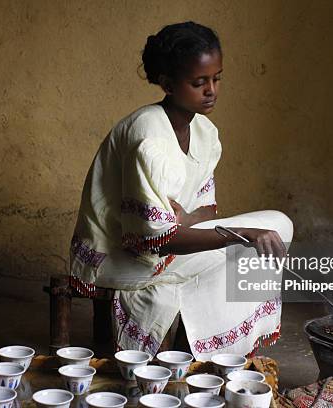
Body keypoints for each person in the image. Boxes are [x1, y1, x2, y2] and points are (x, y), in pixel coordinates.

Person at [69, 21, 293, 360]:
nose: (211, 90)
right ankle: (203, 356)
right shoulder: (148, 137)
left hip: (166, 245)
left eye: (217, 78)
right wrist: (238, 234)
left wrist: (188, 220)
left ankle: (194, 350)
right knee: (246, 250)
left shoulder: (204, 132)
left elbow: (207, 211)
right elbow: (156, 240)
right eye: (199, 82)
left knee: (278, 225)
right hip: (122, 257)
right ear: (168, 83)